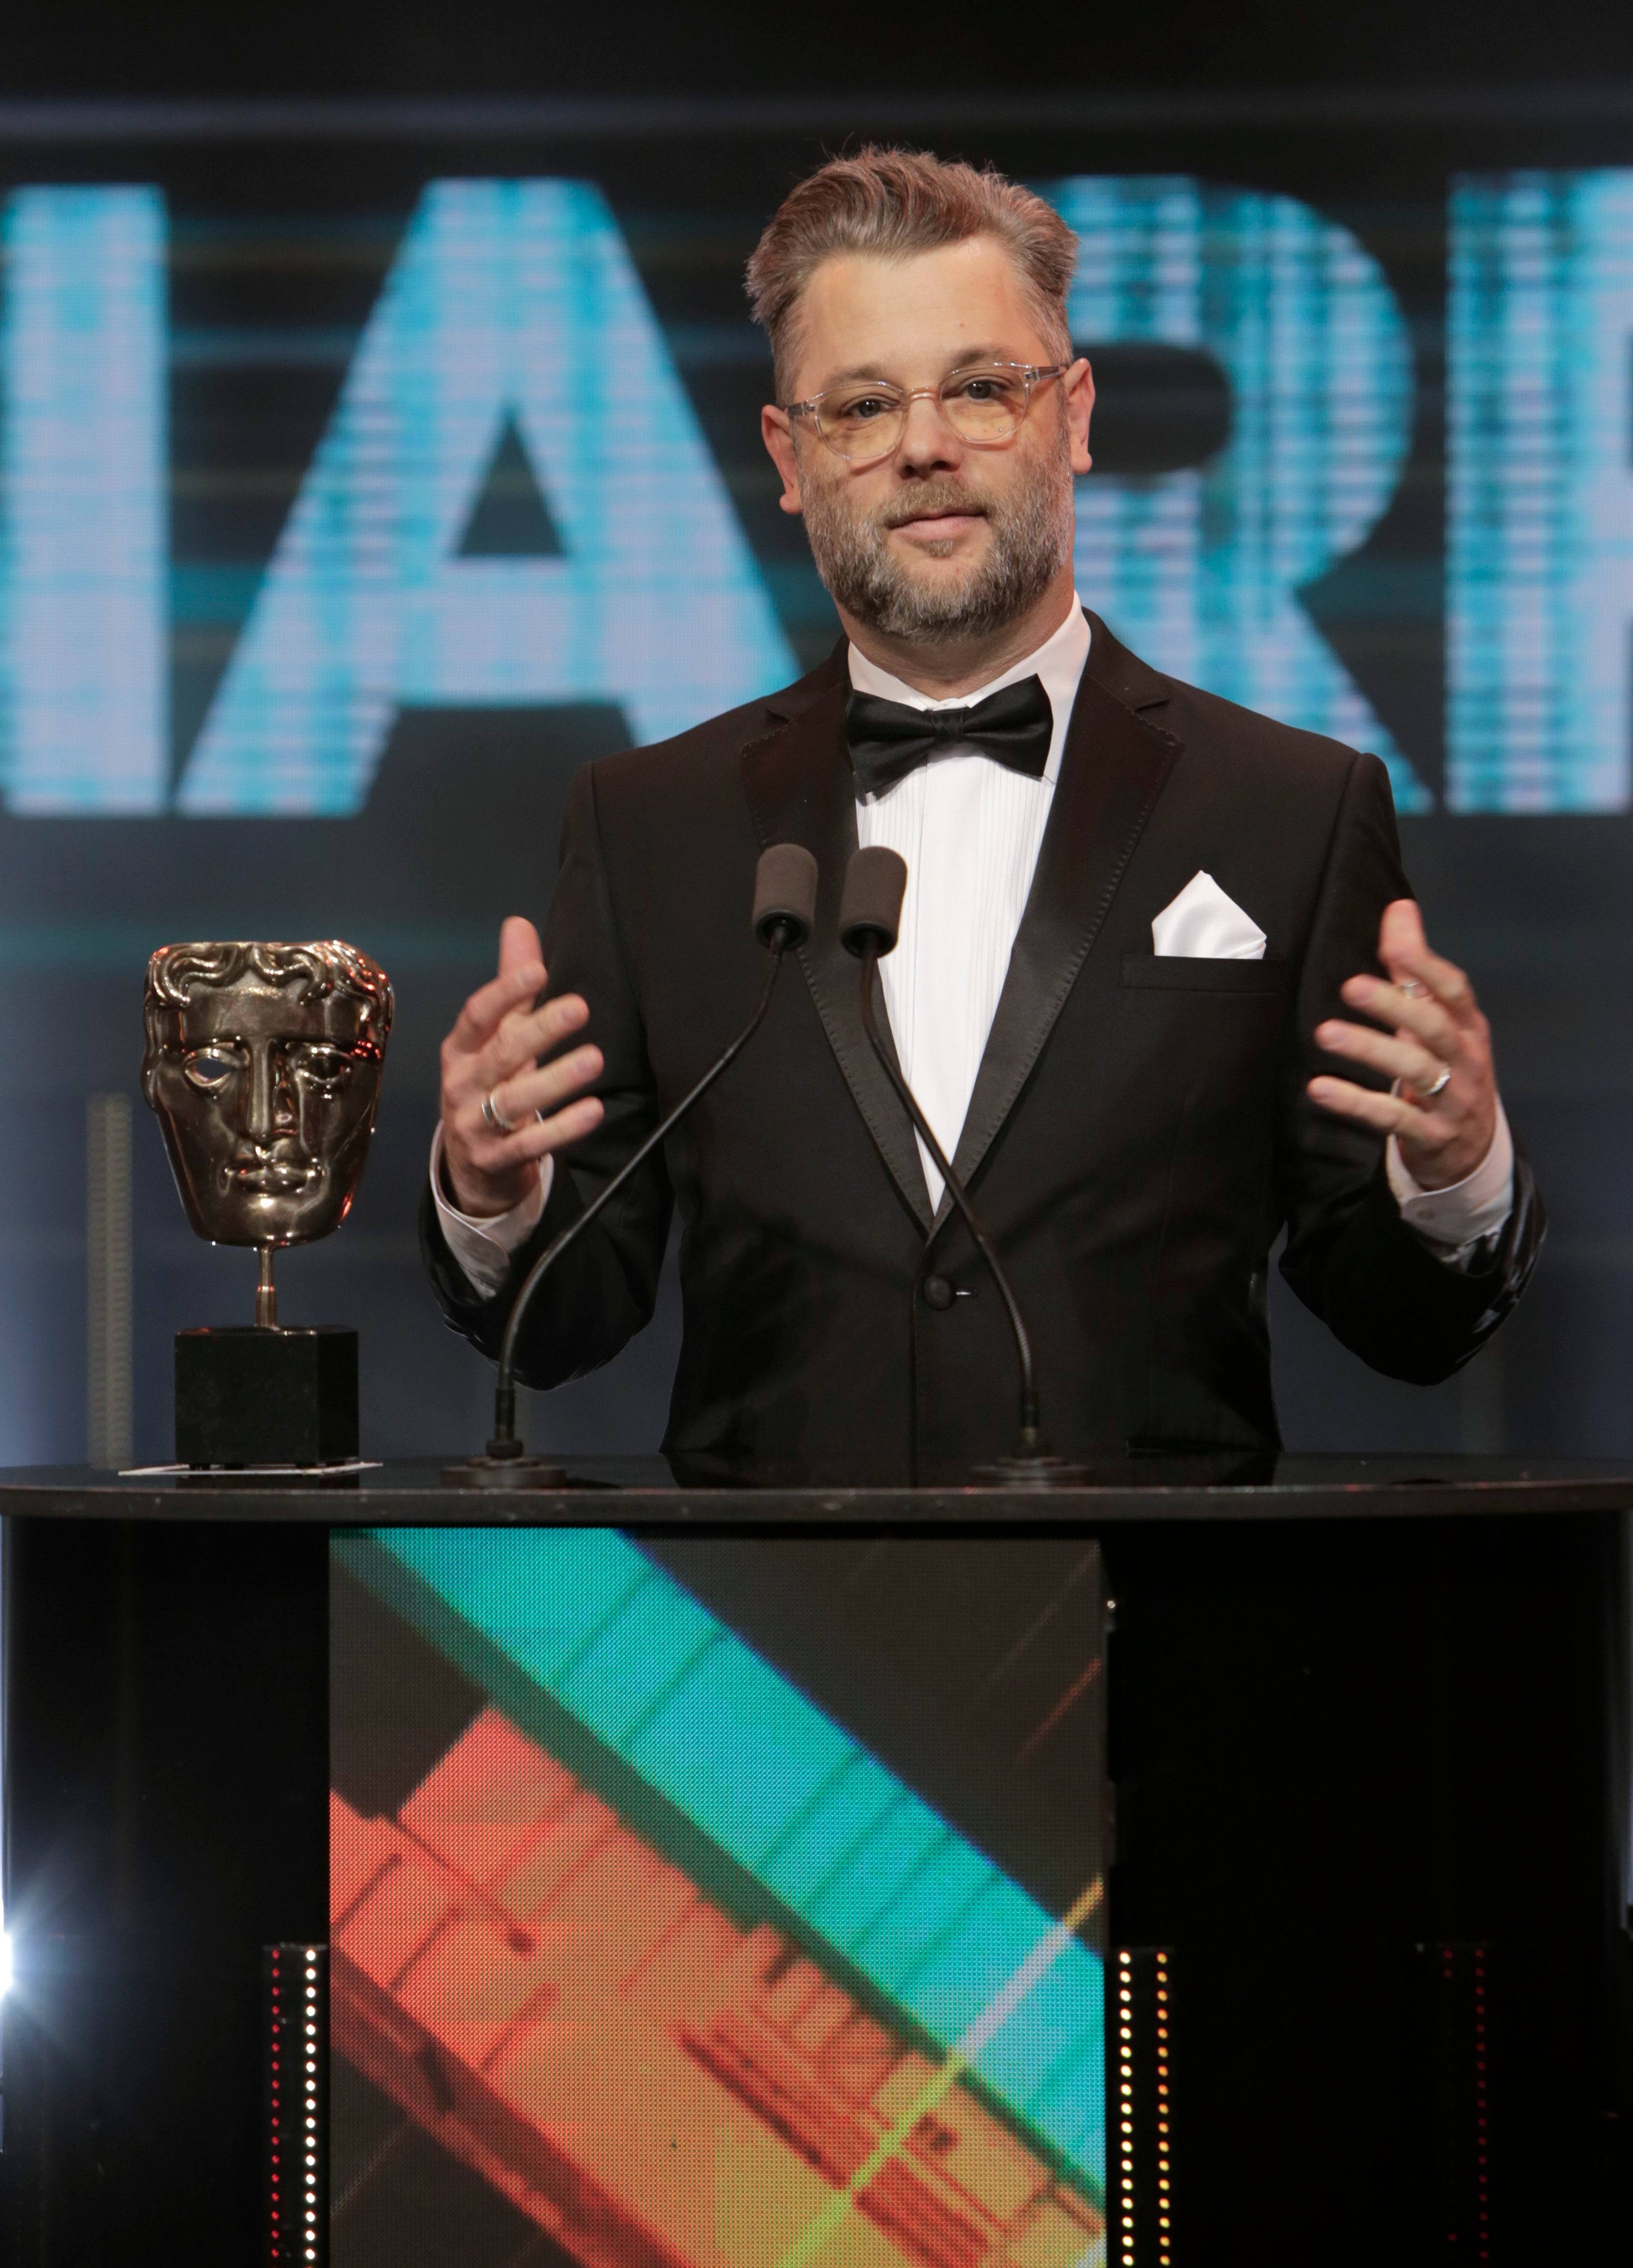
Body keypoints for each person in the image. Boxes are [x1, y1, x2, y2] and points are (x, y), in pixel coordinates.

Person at [420, 149, 1541, 1485]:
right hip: (761, 1645)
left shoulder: (1290, 809)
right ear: (790, 455)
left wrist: (1454, 1175)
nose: (925, 444)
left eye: (978, 388)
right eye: (862, 405)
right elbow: (568, 1322)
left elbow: (1399, 1326)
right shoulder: (649, 822)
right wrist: (495, 1194)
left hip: (1154, 1631)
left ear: (1071, 416)